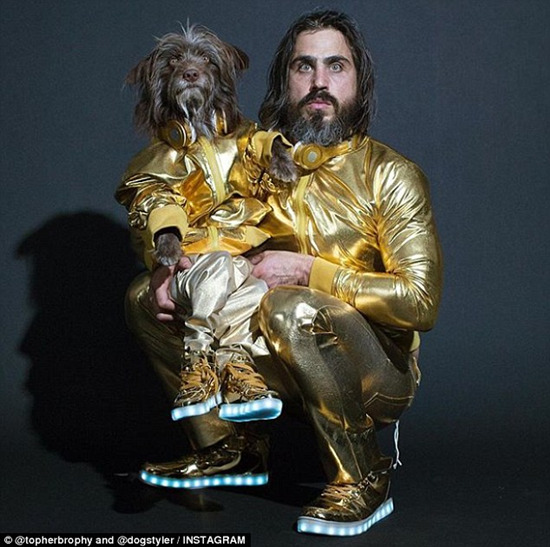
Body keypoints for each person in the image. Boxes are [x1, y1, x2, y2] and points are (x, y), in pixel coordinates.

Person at [124, 9, 442, 537]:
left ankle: (362, 473)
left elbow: (420, 302)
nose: (319, 81)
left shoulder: (391, 174)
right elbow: (182, 208)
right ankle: (232, 446)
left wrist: (309, 271)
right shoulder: (261, 161)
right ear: (283, 79)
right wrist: (167, 266)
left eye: (336, 66)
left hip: (374, 373)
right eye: (304, 66)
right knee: (146, 295)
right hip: (266, 350)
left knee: (289, 305)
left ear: (359, 81)